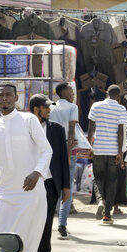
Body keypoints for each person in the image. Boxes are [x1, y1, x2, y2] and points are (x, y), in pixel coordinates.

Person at [0, 84, 53, 252]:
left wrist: (37, 173)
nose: (4, 98)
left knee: (22, 243)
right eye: (1, 95)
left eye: (8, 95)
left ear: (16, 98)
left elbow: (47, 150)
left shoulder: (28, 120)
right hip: (5, 193)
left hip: (29, 193)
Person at [31, 94, 70, 252]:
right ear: (36, 109)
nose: (49, 110)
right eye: (46, 107)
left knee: (46, 229)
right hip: (28, 185)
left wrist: (66, 187)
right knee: (29, 226)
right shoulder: (24, 128)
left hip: (50, 185)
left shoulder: (56, 129)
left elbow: (63, 159)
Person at [87, 84, 127, 224]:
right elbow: (120, 132)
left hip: (98, 149)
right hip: (112, 151)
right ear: (118, 96)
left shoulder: (96, 106)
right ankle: (107, 215)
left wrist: (89, 146)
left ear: (107, 94)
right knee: (112, 181)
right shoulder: (121, 109)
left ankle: (100, 201)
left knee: (98, 178)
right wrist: (120, 153)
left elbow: (90, 128)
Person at [49, 82, 79, 239]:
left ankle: (48, 221)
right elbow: (71, 131)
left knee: (51, 185)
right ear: (64, 92)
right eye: (71, 91)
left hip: (50, 152)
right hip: (67, 150)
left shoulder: (51, 107)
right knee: (67, 187)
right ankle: (62, 223)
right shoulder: (73, 108)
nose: (73, 94)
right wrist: (68, 155)